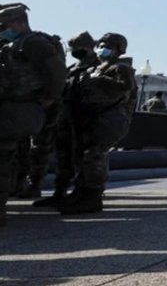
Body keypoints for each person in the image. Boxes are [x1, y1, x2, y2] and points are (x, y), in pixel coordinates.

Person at [0, 4, 66, 228]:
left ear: (19, 22)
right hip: (11, 107)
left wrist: (50, 96)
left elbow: (57, 71)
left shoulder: (33, 42)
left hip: (18, 109)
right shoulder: (15, 44)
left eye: (3, 26)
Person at [58, 33, 137, 215]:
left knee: (94, 157)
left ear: (119, 50)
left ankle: (92, 197)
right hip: (90, 119)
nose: (103, 48)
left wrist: (96, 82)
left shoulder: (121, 68)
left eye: (108, 46)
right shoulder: (99, 67)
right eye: (101, 44)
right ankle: (81, 192)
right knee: (83, 157)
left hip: (106, 120)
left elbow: (122, 90)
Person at [32, 32, 99, 209]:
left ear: (89, 47)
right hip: (65, 117)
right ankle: (59, 192)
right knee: (63, 156)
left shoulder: (98, 66)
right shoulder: (73, 67)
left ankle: (81, 194)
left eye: (78, 48)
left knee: (82, 157)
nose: (74, 52)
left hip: (84, 119)